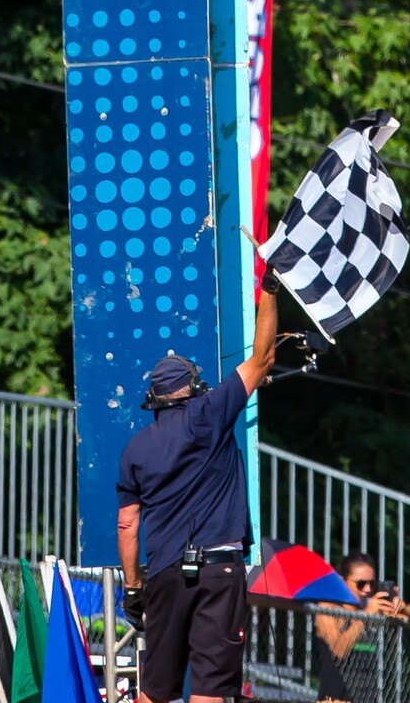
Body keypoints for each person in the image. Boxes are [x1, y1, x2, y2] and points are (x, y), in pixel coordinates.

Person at [116, 274, 282, 703]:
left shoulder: (135, 449)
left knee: (154, 691)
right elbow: (262, 358)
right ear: (193, 389)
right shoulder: (209, 412)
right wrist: (270, 291)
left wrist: (134, 588)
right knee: (210, 690)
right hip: (219, 569)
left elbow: (127, 524)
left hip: (166, 575)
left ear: (155, 399)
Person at [313, 552, 410, 703]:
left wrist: (403, 608)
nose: (367, 590)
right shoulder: (329, 610)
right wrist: (365, 616)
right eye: (361, 584)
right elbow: (339, 649)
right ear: (342, 582)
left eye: (372, 584)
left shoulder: (372, 609)